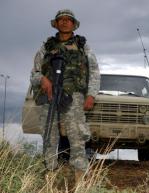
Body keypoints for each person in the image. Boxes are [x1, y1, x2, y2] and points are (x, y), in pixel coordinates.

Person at [30, 9, 100, 183]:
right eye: (61, 19)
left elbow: (94, 72)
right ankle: (49, 177)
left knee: (77, 137)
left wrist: (91, 95)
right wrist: (43, 79)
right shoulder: (46, 46)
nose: (64, 22)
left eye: (68, 19)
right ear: (56, 23)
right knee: (49, 137)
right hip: (49, 97)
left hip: (74, 98)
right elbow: (34, 73)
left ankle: (80, 179)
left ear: (73, 24)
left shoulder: (83, 45)